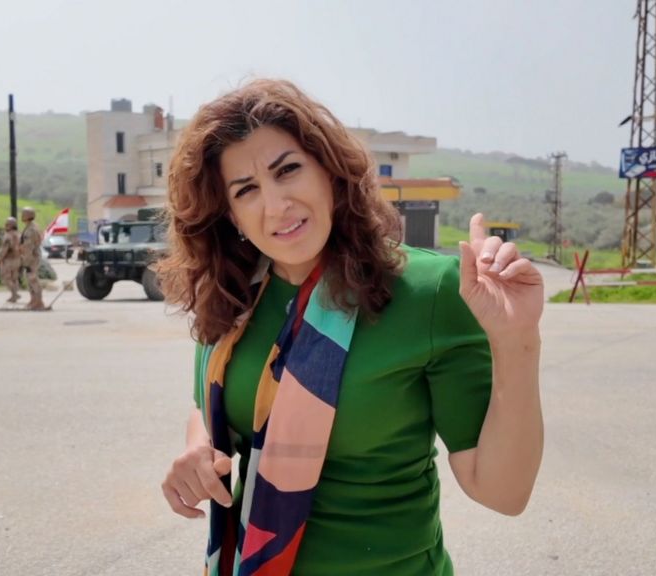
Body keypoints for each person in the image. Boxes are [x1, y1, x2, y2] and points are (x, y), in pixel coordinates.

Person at [156, 79, 544, 576]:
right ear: (230, 215)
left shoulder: (428, 291)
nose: (276, 205)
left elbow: (503, 492)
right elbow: (207, 410)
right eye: (246, 190)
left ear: (330, 172)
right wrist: (197, 451)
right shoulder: (233, 299)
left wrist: (517, 340)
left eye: (288, 170)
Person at [19, 207, 45, 310]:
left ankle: (38, 302)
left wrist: (26, 260)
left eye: (23, 214)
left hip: (31, 257)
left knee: (33, 279)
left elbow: (28, 247)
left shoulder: (30, 230)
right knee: (30, 279)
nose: (21, 216)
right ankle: (33, 300)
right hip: (32, 255)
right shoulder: (32, 226)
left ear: (27, 216)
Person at [0, 217, 22, 303]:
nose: (5, 225)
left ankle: (14, 294)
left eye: (7, 224)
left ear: (11, 225)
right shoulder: (19, 235)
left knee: (5, 278)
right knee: (14, 278)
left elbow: (4, 249)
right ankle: (14, 295)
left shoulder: (8, 236)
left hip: (8, 260)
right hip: (17, 259)